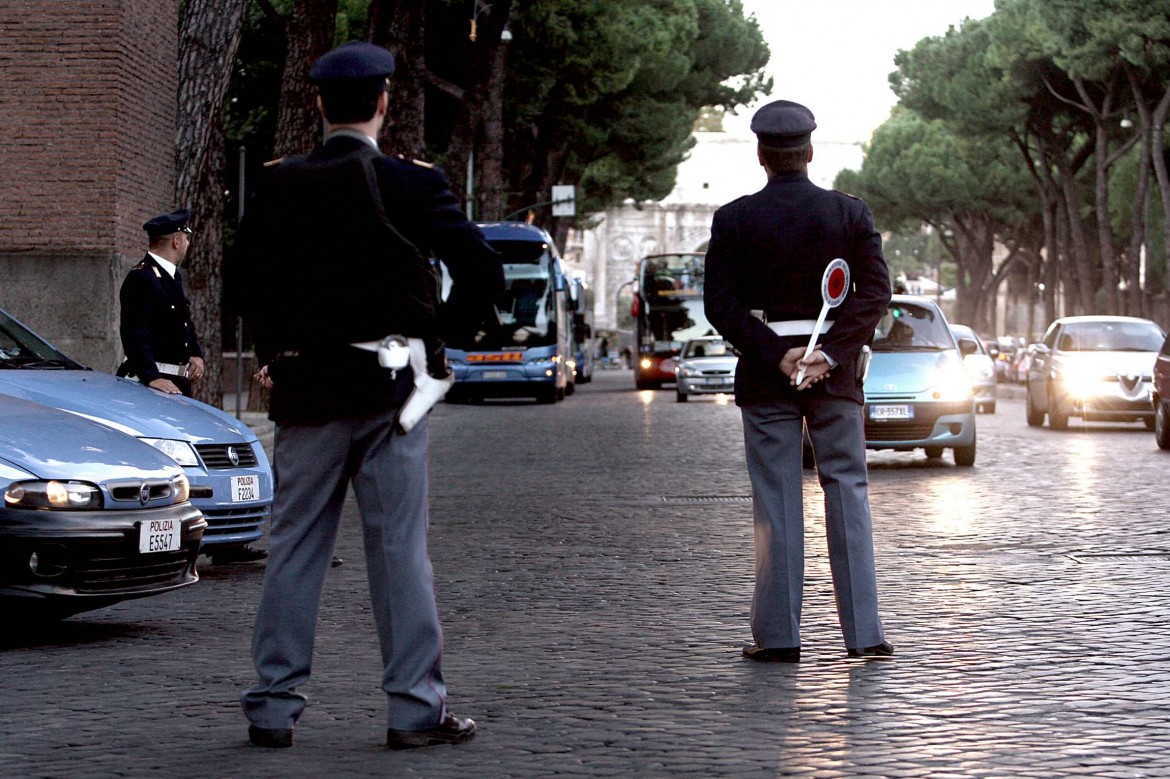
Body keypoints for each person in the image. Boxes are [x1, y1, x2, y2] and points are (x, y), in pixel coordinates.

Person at [232, 41, 503, 750]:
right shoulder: (413, 185)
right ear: (384, 104)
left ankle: (272, 704)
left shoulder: (279, 183)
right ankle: (414, 707)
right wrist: (434, 338)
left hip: (307, 388)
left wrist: (274, 352)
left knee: (293, 548)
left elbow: (244, 287)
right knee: (399, 553)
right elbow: (482, 270)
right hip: (390, 393)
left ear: (317, 105)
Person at [704, 99, 894, 663]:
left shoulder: (734, 218)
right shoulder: (849, 214)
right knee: (848, 494)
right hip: (834, 381)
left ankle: (779, 637)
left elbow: (722, 305)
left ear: (762, 156)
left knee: (776, 503)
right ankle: (865, 634)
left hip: (767, 379)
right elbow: (874, 295)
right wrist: (829, 355)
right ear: (810, 153)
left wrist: (777, 356)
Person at [117, 209, 205, 397]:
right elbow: (134, 333)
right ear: (176, 241)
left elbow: (183, 321)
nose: (187, 244)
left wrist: (195, 353)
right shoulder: (141, 277)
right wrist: (151, 376)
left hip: (176, 382)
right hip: (152, 384)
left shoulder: (171, 276)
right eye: (186, 239)